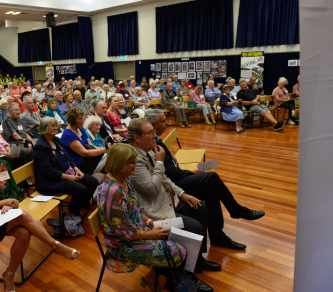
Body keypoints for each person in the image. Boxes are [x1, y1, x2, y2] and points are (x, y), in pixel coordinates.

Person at [0, 134, 80, 291]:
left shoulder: (3, 165)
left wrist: (12, 203)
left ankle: (9, 275)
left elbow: (15, 192)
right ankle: (56, 245)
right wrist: (5, 203)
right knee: (23, 215)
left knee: (24, 234)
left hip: (9, 213)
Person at [145, 109, 265, 250]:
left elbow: (170, 168)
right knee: (212, 177)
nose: (167, 123)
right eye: (163, 121)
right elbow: (171, 174)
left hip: (175, 178)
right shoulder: (150, 143)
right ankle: (236, 211)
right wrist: (192, 173)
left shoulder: (155, 139)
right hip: (172, 185)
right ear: (152, 124)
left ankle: (217, 236)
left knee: (212, 191)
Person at [125, 118, 215, 291]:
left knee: (200, 207)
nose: (154, 136)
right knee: (193, 227)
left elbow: (165, 178)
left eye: (153, 131)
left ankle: (196, 260)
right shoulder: (133, 159)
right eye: (150, 133)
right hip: (154, 215)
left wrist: (182, 193)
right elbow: (151, 188)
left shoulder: (149, 151)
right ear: (137, 138)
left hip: (166, 204)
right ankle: (185, 275)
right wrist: (160, 161)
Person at [96, 143, 188, 292]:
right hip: (122, 247)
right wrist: (151, 234)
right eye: (132, 162)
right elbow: (126, 235)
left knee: (176, 234)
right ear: (120, 164)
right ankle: (171, 284)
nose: (136, 165)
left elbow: (136, 209)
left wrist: (150, 222)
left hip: (137, 232)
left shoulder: (124, 180)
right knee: (177, 250)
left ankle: (157, 279)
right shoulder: (113, 193)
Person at [33, 117, 99, 217]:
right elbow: (48, 171)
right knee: (81, 189)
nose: (56, 128)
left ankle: (80, 205)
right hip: (51, 180)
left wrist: (76, 169)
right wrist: (68, 177)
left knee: (93, 182)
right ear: (44, 128)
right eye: (52, 126)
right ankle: (69, 213)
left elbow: (68, 157)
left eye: (56, 125)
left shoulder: (56, 140)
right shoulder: (41, 146)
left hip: (67, 172)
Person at [61, 107, 107, 174]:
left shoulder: (80, 129)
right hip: (80, 164)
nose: (83, 121)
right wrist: (104, 150)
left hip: (88, 159)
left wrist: (105, 149)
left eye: (82, 118)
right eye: (80, 119)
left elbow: (91, 146)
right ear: (72, 120)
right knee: (110, 158)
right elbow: (84, 153)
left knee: (111, 156)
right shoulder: (68, 134)